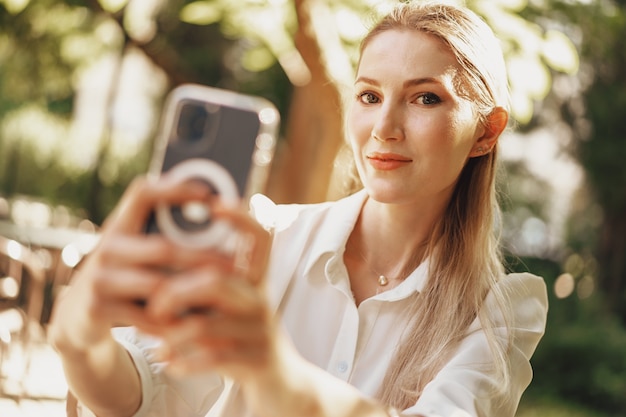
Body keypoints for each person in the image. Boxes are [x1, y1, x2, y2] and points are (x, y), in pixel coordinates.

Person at [48, 1, 548, 416]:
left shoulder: (501, 312)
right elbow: (147, 392)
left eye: (425, 99)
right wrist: (80, 339)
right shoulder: (262, 239)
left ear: (486, 131)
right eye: (369, 95)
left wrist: (272, 369)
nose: (384, 128)